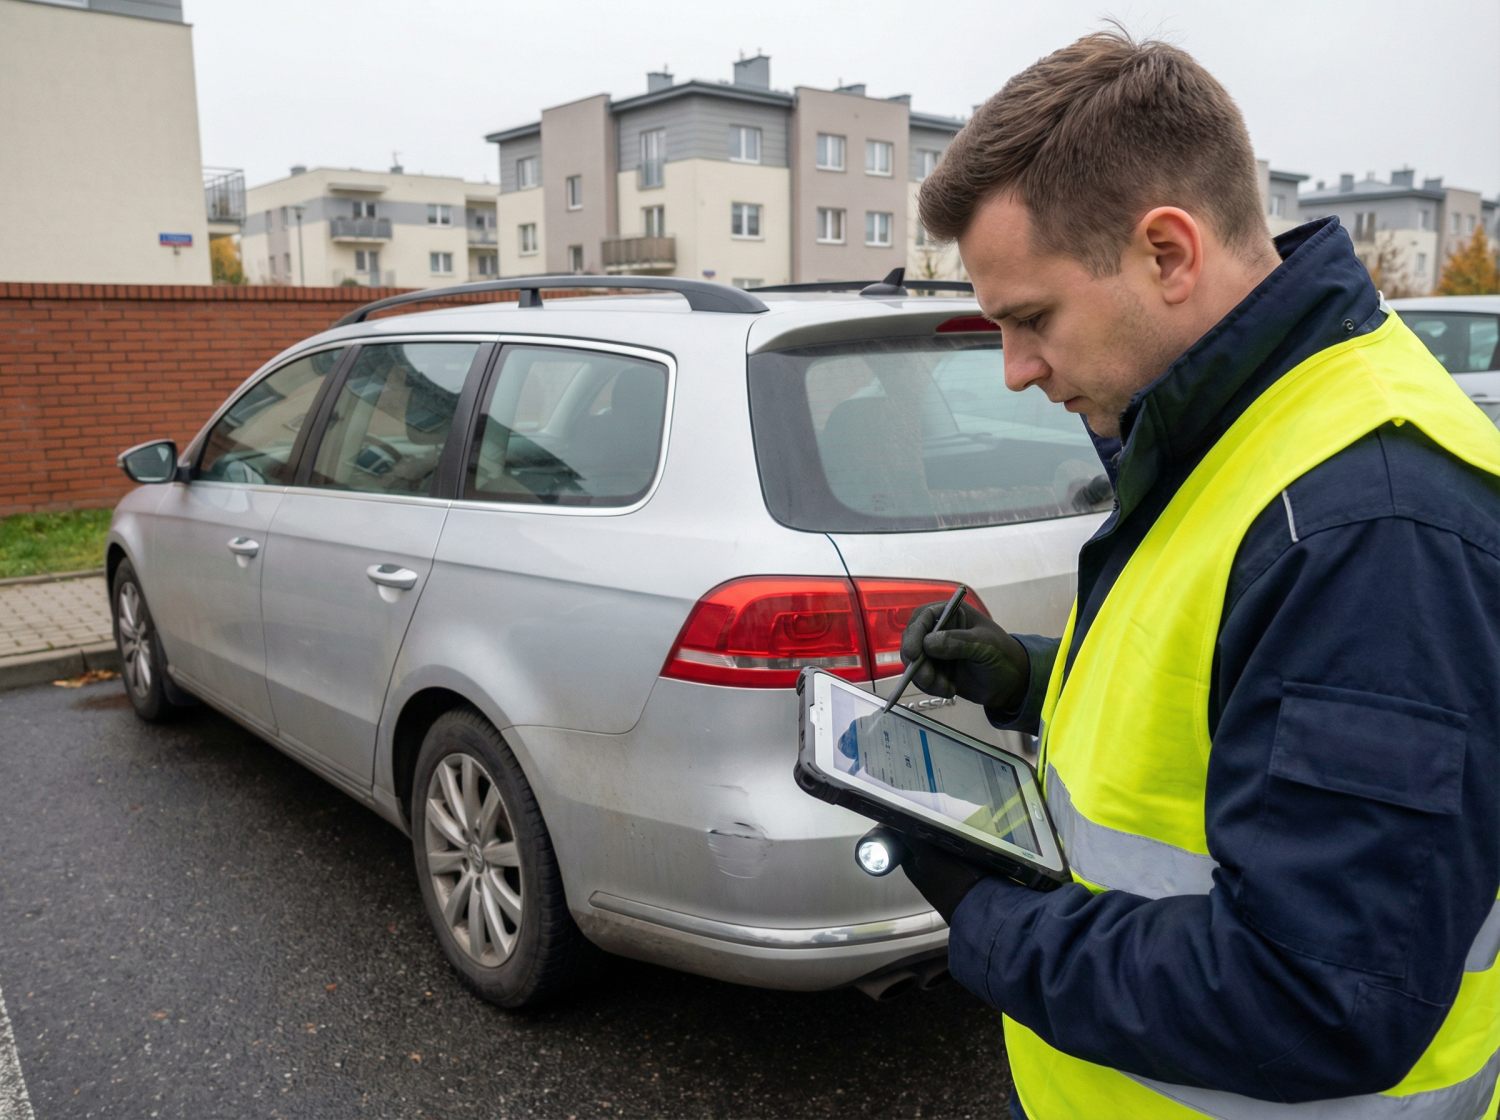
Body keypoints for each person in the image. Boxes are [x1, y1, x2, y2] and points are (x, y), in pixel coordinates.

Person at [892, 28, 1500, 1120]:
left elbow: (1317, 993)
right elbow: (1230, 703)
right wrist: (1024, 679)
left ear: (1167, 253)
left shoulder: (1372, 524)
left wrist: (996, 920)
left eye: (1031, 319)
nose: (1016, 369)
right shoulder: (1231, 428)